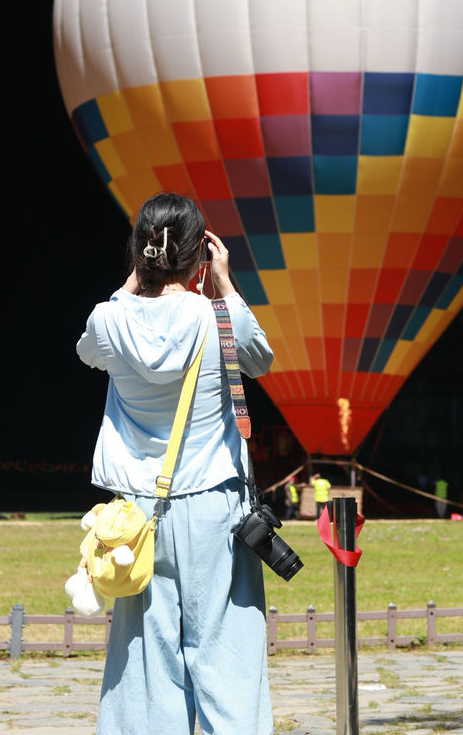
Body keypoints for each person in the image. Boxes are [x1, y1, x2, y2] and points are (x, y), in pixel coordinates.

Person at [76, 192, 274, 735]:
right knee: (225, 646)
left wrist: (134, 280)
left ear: (139, 252)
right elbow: (261, 359)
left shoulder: (109, 320)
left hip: (137, 514)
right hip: (214, 502)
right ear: (200, 255)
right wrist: (226, 284)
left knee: (144, 654)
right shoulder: (220, 317)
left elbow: (87, 352)